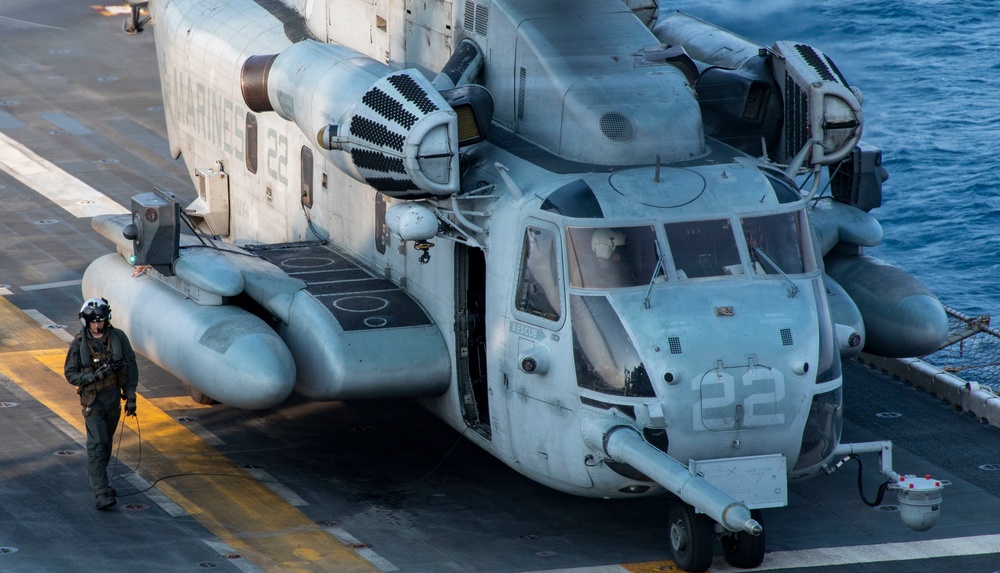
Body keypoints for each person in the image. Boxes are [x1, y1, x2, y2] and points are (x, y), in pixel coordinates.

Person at [64, 297, 138, 510]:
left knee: (106, 443)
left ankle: (102, 483)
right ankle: (100, 492)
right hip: (93, 401)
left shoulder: (118, 338)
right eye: (93, 321)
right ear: (86, 322)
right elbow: (71, 374)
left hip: (113, 400)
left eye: (101, 321)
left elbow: (131, 368)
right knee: (97, 444)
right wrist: (94, 376)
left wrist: (130, 397)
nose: (97, 325)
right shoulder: (79, 343)